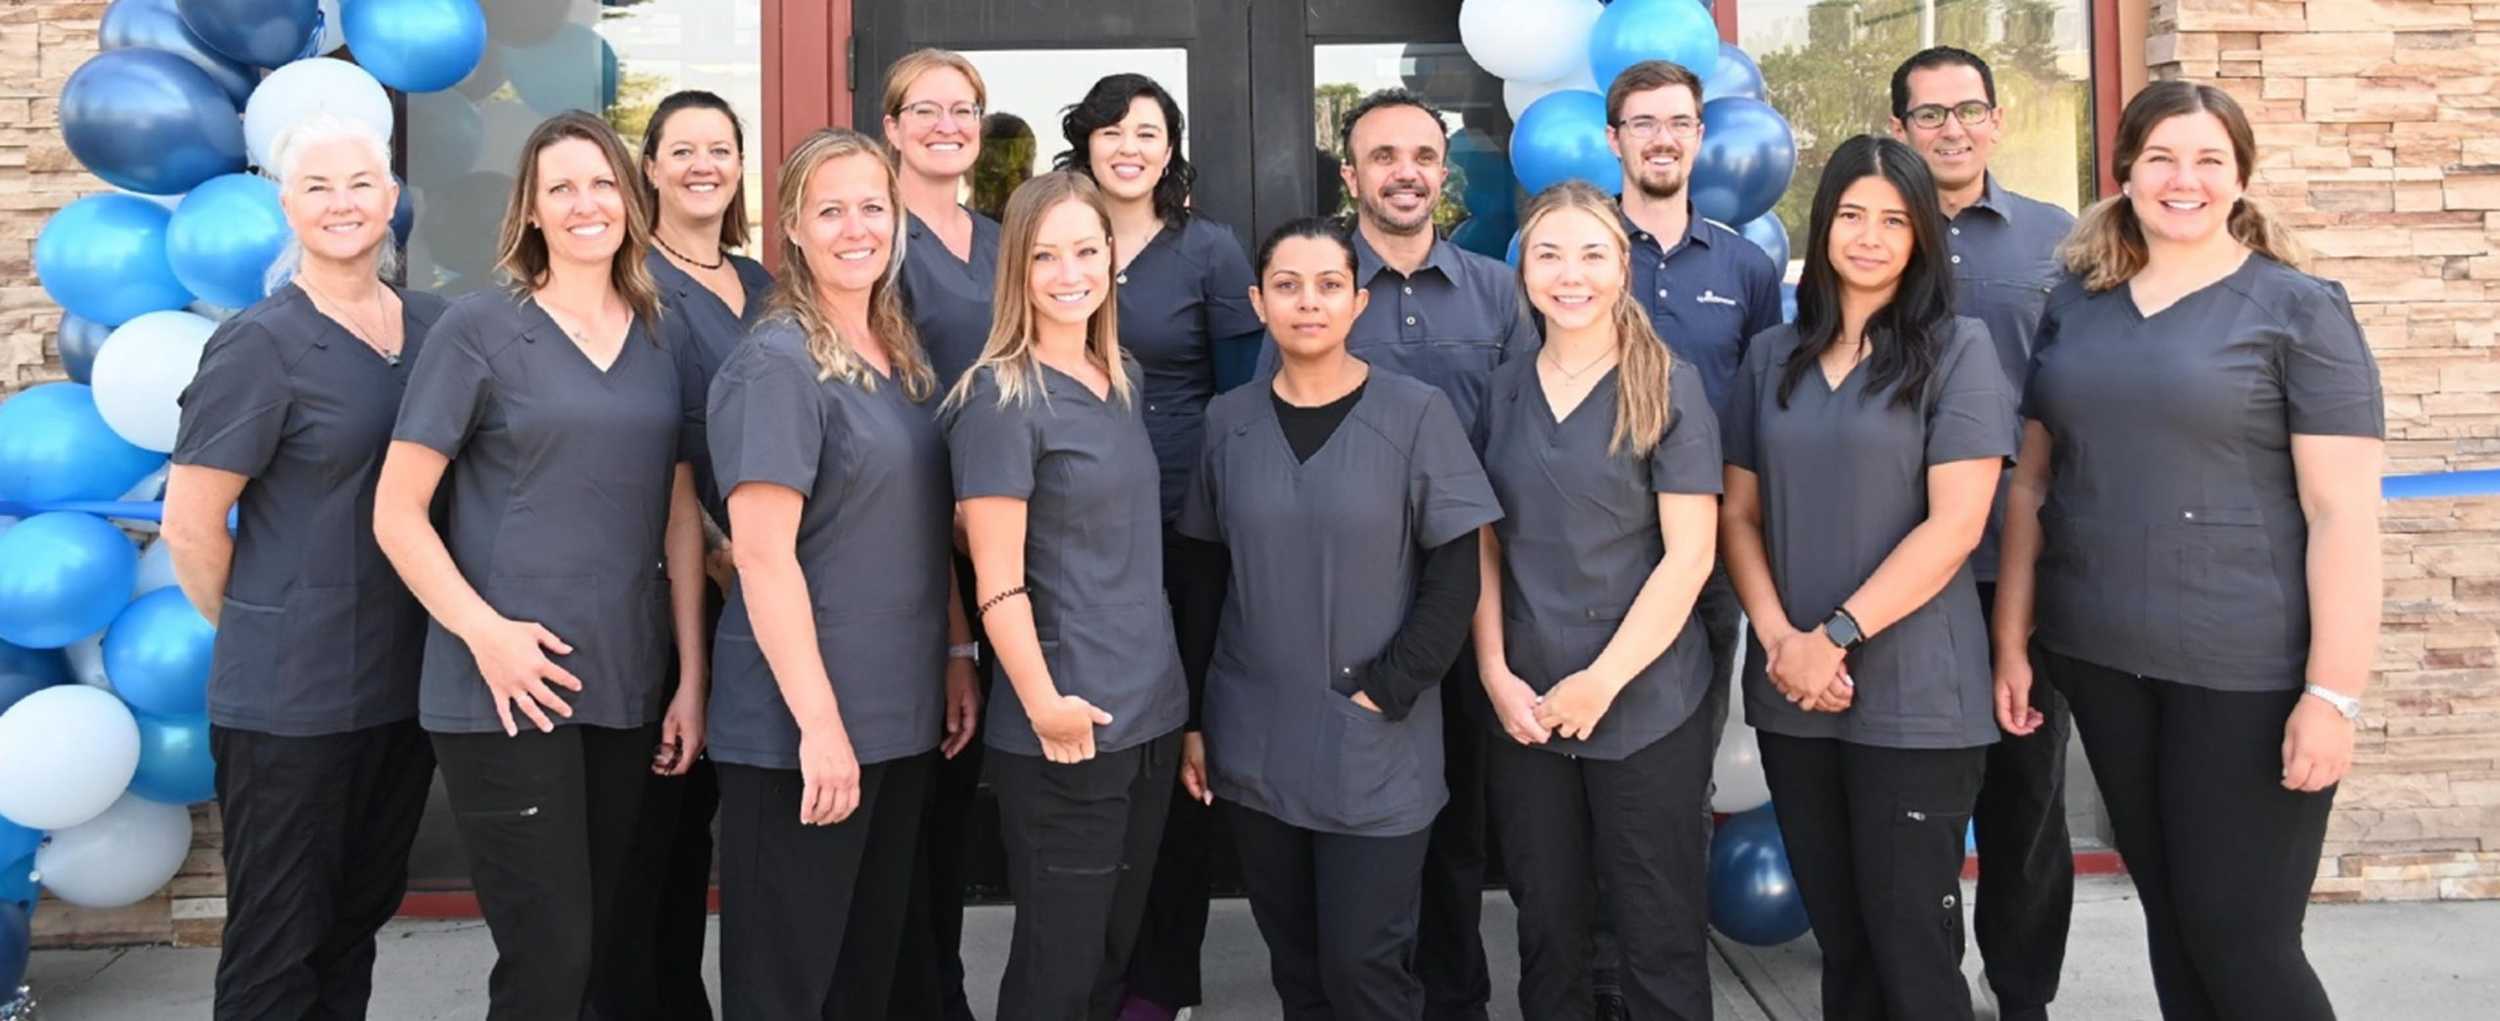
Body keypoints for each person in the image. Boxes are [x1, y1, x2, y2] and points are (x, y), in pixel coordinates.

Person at [1994, 80, 2382, 1021]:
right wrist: (2014, 640)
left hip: (2244, 673)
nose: (2185, 179)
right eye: (2162, 156)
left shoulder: (2299, 311)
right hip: (2102, 658)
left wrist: (2332, 696)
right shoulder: (2077, 307)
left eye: (2211, 159)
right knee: (2174, 923)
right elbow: (2034, 486)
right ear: (2124, 170)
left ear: (2242, 177)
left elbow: (2345, 517)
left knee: (2241, 942)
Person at [372, 111, 709, 1021]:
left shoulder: (659, 332)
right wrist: (487, 636)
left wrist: (690, 679)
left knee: (608, 946)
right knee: (548, 958)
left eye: (601, 183)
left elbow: (679, 515)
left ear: (632, 203)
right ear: (530, 210)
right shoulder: (479, 329)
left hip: (628, 677)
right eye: (560, 187)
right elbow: (397, 512)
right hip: (505, 687)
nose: (584, 203)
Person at [1718, 134, 2014, 1021]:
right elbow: (1738, 514)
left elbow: (1957, 524)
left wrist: (1835, 635)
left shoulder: (1959, 351)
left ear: (1922, 234)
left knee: (1912, 948)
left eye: (1895, 219)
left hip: (1917, 695)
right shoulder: (1773, 356)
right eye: (1852, 214)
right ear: (1824, 225)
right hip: (1794, 693)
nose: (1871, 237)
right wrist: (1782, 642)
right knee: (1843, 944)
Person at [162, 113, 449, 1021]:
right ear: (286, 205)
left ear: (392, 200)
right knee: (276, 945)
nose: (342, 204)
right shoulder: (260, 343)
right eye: (318, 187)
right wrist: (265, 623)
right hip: (288, 703)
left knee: (353, 923)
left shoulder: (434, 331)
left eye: (361, 184)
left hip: (401, 689)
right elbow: (191, 528)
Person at [1261, 88, 1538, 1021]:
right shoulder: (1319, 287)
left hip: (1471, 594)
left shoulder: (1501, 292)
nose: (1406, 172)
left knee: (1457, 828)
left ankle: (1450, 1002)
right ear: (1351, 176)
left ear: (1444, 171)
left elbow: (1524, 438)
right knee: (1351, 827)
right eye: (1382, 156)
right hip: (1351, 604)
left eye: (1423, 154)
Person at [1184, 216, 1500, 1020]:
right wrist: (1195, 717)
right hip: (1257, 737)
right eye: (1287, 286)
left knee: (1365, 967)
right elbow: (1203, 577)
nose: (1308, 303)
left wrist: (1392, 687)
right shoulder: (1228, 421)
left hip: (1376, 744)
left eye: (1329, 285)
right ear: (1259, 303)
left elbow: (1456, 570)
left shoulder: (1417, 413)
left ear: (1357, 302)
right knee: (1298, 969)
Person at [703, 125, 972, 1020]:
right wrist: (821, 728)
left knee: (868, 976)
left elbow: (914, 528)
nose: (856, 227)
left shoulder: (899, 354)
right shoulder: (777, 364)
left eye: (873, 206)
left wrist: (955, 651)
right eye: (831, 210)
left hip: (896, 716)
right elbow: (763, 556)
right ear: (792, 228)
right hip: (804, 734)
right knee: (791, 986)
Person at [941, 170, 1189, 1021]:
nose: (1070, 270)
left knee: (1112, 955)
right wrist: (1046, 703)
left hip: (1149, 713)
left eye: (1086, 249)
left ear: (1112, 257)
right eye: (1046, 255)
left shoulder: (1120, 373)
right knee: (1059, 964)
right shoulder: (1000, 398)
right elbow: (996, 578)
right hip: (1066, 723)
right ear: (1017, 268)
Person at [1475, 180, 1723, 1021]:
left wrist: (1603, 680)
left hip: (1645, 699)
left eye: (1591, 253)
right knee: (1547, 930)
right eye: (1548, 253)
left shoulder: (1670, 385)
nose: (1568, 274)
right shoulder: (1501, 388)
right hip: (1528, 703)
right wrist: (1496, 672)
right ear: (1523, 270)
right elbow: (1484, 544)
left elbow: (1690, 558)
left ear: (1622, 265)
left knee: (1658, 933)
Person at [1050, 71, 1264, 1021]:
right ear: (1085, 141)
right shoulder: (1054, 235)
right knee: (1091, 754)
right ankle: (1082, 972)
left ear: (1170, 149)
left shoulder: (1209, 250)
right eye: (1111, 130)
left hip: (1183, 532)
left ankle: (1159, 982)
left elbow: (1240, 399)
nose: (1129, 147)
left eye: (1149, 131)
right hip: (1073, 531)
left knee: (1175, 757)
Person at [1886, 46, 2080, 1021]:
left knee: (2026, 804)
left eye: (1968, 110)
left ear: (1996, 122)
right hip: (1901, 570)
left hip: (2023, 569)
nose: (1951, 129)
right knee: (1918, 804)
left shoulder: (2060, 242)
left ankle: (2022, 998)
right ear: (1899, 133)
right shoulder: (1873, 238)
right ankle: (1929, 993)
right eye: (1928, 115)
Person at [1597, 59, 1786, 1016]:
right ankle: (1595, 980)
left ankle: (1661, 979)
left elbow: (1756, 420)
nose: (1662, 137)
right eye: (1643, 122)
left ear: (1700, 135)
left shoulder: (1745, 268)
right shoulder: (1576, 251)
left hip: (1701, 560)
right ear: (1614, 137)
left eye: (1678, 121)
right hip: (1585, 553)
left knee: (1672, 781)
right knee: (1580, 780)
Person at [603, 88, 773, 1021]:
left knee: (717, 829)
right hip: (677, 592)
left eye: (722, 148)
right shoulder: (631, 285)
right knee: (653, 836)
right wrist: (715, 557)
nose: (704, 163)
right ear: (653, 168)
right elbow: (651, 454)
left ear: (740, 168)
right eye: (684, 149)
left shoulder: (767, 287)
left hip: (767, 595)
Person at [882, 48, 1003, 1021]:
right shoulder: (871, 242)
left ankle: (939, 980)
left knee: (960, 793)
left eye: (961, 110)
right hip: (910, 547)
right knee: (912, 795)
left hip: (1003, 540)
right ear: (890, 126)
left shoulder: (1004, 243)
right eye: (924, 109)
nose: (945, 126)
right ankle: (920, 992)